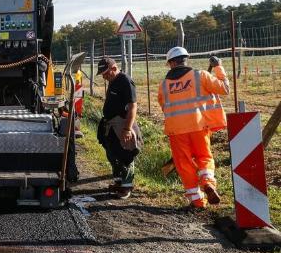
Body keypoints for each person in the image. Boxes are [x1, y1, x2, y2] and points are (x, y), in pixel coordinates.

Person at [157, 47, 229, 208]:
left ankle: (197, 201)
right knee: (204, 157)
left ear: (172, 62)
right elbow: (225, 89)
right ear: (185, 59)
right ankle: (208, 182)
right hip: (199, 127)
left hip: (175, 131)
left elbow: (164, 106)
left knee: (184, 165)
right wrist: (218, 67)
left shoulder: (163, 85)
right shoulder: (201, 75)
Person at [96, 57, 142, 199]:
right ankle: (118, 181)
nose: (104, 76)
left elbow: (133, 106)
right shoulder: (113, 81)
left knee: (125, 153)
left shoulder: (125, 81)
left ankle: (126, 185)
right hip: (111, 124)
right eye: (102, 74)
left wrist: (127, 129)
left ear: (114, 68)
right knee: (112, 153)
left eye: (106, 73)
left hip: (122, 123)